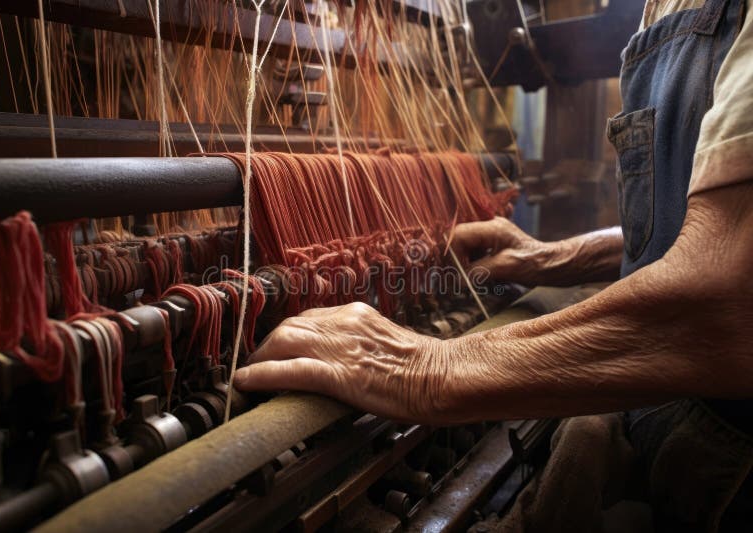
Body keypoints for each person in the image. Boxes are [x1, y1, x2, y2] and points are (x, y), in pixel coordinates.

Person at [235, 0, 753, 528]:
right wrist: (552, 257)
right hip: (669, 428)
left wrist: (429, 367)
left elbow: (732, 299)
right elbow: (691, 223)